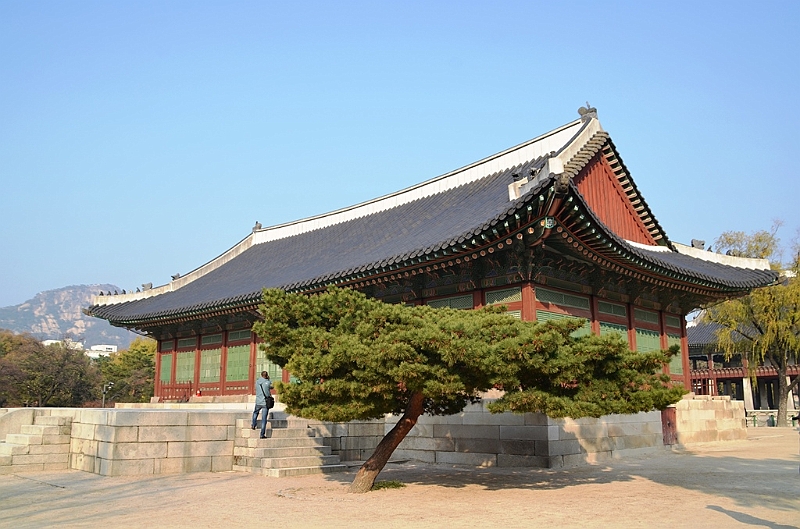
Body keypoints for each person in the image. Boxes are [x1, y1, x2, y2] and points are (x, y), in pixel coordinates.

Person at [251, 371, 273, 439]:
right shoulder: (267, 382)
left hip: (258, 401)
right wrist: (268, 380)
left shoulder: (257, 382)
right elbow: (269, 391)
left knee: (255, 412)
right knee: (264, 419)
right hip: (265, 402)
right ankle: (262, 434)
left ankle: (253, 424)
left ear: (261, 375)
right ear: (266, 375)